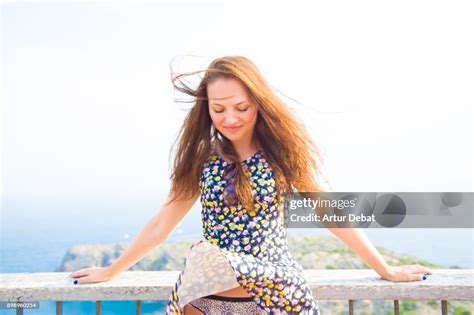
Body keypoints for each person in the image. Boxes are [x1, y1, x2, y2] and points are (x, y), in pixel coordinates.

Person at [70, 56, 433, 314]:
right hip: (208, 295)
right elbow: (162, 223)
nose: (230, 118)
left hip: (272, 294)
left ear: (258, 102)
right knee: (203, 255)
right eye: (218, 108)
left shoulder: (282, 153)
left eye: (241, 107)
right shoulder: (201, 157)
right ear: (206, 108)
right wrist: (111, 270)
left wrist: (385, 269)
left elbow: (329, 213)